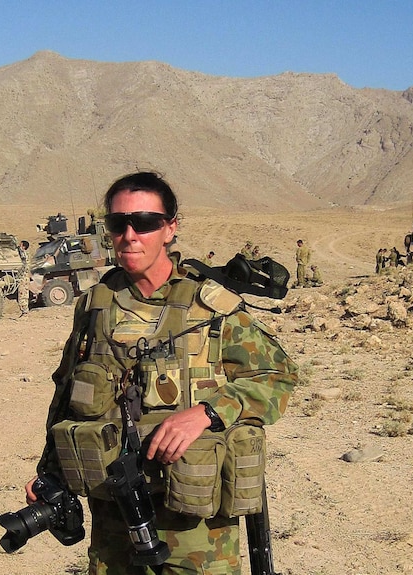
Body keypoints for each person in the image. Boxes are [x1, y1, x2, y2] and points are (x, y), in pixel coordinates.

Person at [25, 171, 298, 575]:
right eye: (118, 223)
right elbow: (66, 392)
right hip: (113, 510)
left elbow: (277, 376)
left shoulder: (211, 306)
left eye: (146, 222)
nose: (130, 234)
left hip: (194, 520)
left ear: (170, 228)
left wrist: (206, 412)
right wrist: (48, 469)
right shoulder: (94, 307)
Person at [17, 240, 31, 316]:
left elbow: (22, 256)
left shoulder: (24, 254)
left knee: (23, 295)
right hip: (23, 277)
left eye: (20, 245)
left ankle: (25, 312)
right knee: (22, 295)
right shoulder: (25, 254)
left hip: (24, 277)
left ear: (23, 246)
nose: (19, 246)